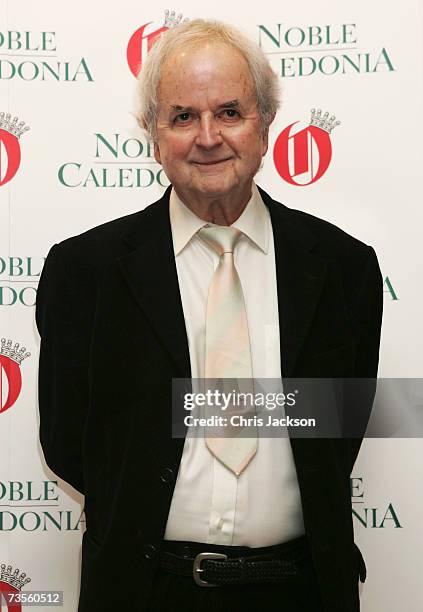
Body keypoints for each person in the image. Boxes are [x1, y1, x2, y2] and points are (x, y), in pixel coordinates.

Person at [36, 19, 383, 612]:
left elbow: (337, 432)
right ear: (151, 133)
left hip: (302, 590)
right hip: (144, 592)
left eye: (229, 112)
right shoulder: (84, 271)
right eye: (182, 116)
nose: (207, 137)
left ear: (266, 124)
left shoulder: (343, 267)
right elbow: (71, 441)